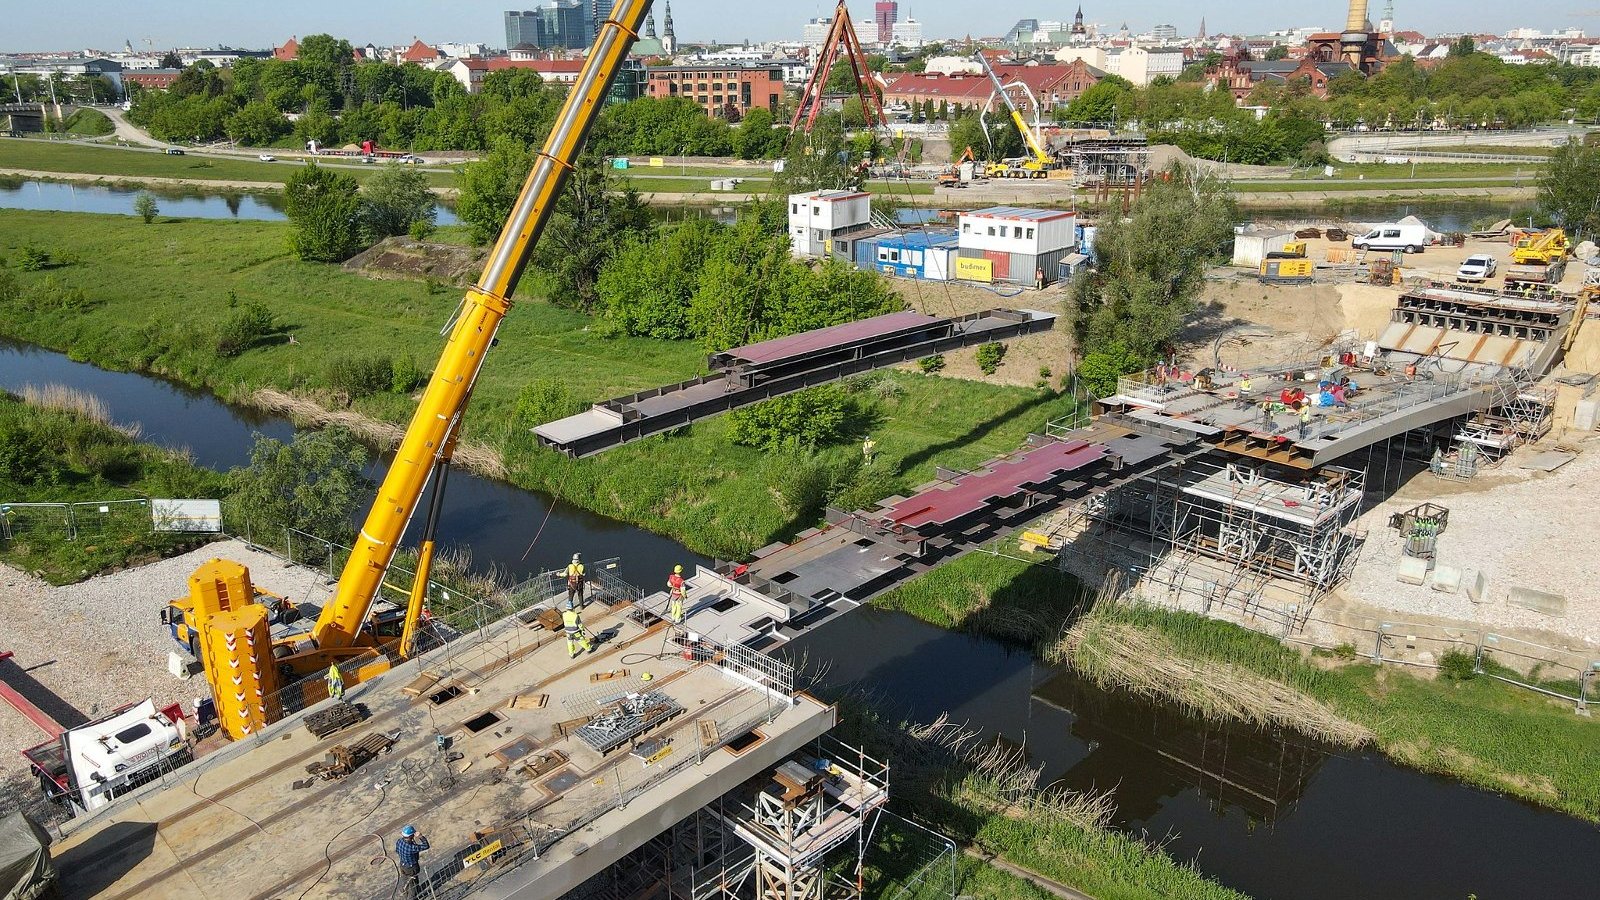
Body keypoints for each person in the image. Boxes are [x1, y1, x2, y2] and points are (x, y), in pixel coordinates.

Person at [394, 825, 430, 900]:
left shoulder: (399, 841)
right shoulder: (412, 847)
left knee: (405, 881)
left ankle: (405, 895)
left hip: (403, 865)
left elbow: (397, 850)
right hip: (411, 867)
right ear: (411, 836)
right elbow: (426, 846)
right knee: (414, 885)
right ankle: (412, 898)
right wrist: (421, 837)